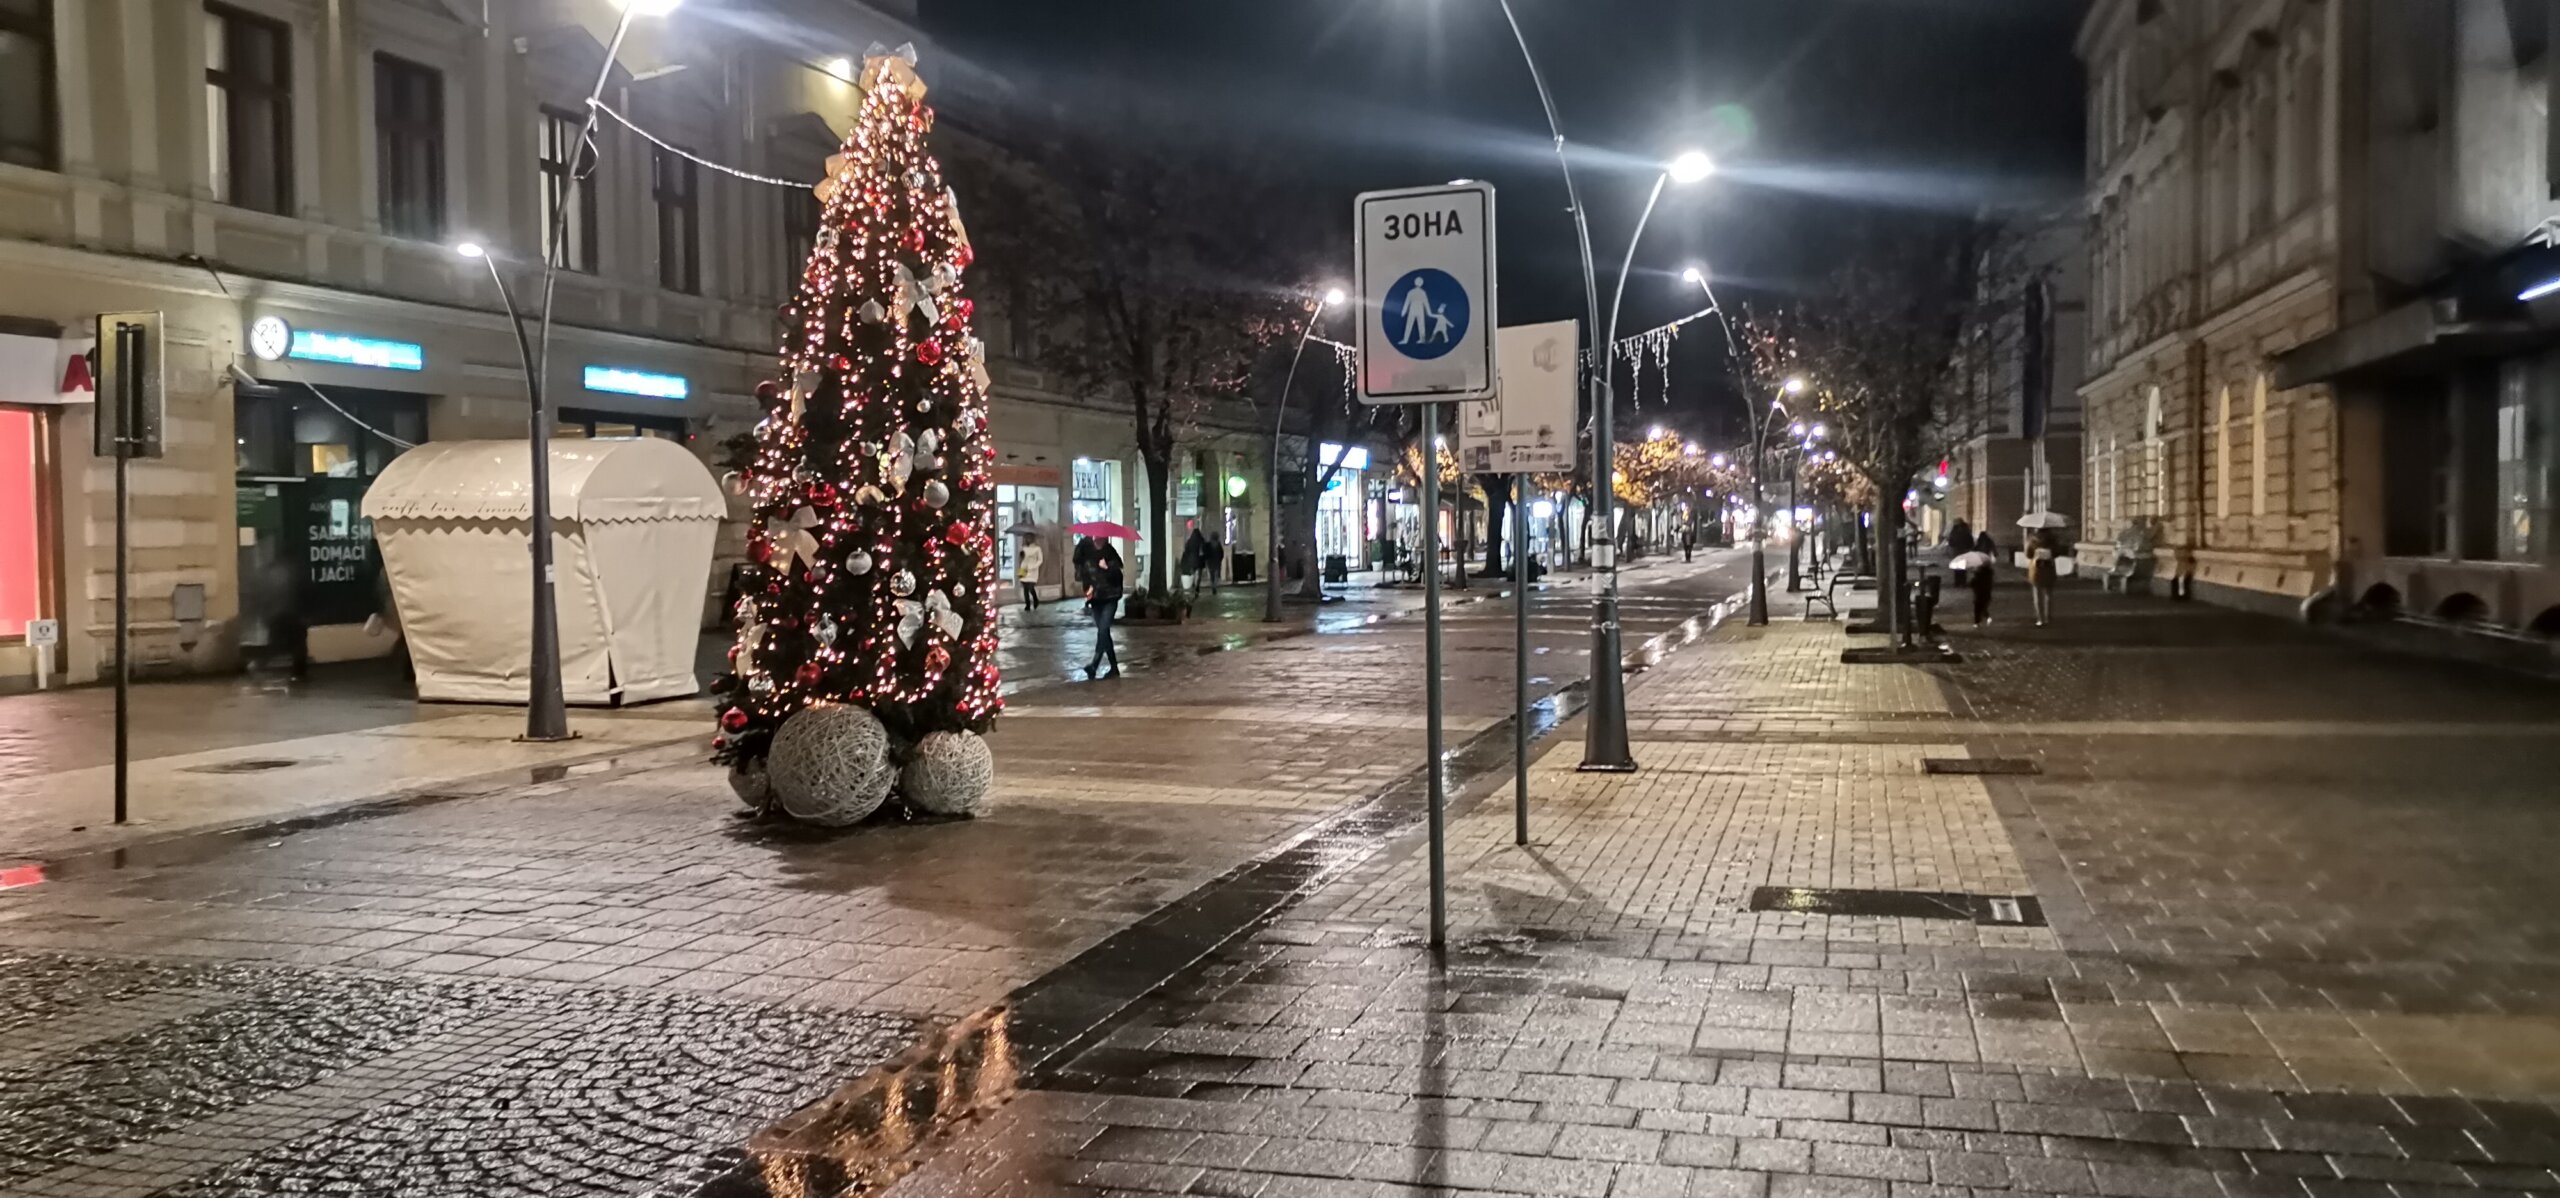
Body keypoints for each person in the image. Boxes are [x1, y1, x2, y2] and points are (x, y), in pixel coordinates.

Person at [1083, 541, 1125, 680]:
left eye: (1099, 540)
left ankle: (1094, 664)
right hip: (1096, 601)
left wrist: (1106, 568)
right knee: (1104, 633)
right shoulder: (1089, 560)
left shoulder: (1112, 559)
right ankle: (1114, 668)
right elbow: (1086, 579)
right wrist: (1087, 590)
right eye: (1095, 540)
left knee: (1103, 630)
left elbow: (1117, 579)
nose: (1096, 541)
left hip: (1110, 599)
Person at [2028, 529, 2058, 626]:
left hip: (2036, 569)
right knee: (2048, 594)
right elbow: (2057, 553)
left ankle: (2040, 618)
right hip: (2049, 568)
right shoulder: (2052, 539)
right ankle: (2048, 617)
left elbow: (2028, 554)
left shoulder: (2032, 539)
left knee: (2037, 594)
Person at [1968, 530, 1998, 627]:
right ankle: (1985, 614)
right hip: (1986, 570)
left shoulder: (1978, 544)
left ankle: (1977, 621)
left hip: (1979, 569)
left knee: (1977, 602)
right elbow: (1995, 552)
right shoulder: (1989, 542)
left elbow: (1973, 551)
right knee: (1984, 600)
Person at [1016, 537, 1045, 609]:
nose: (1027, 539)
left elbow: (1040, 560)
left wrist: (1034, 566)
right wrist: (1021, 553)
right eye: (1026, 538)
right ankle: (1027, 604)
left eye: (1029, 538)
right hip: (1023, 568)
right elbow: (1021, 558)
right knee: (1025, 587)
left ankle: (1035, 599)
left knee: (1030, 587)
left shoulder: (1037, 548)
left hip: (1033, 570)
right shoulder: (1023, 547)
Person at [1181, 526, 1209, 596]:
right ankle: (1197, 586)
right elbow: (1205, 550)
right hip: (1200, 560)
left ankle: (1193, 584)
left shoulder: (1190, 542)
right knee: (1199, 574)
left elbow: (1186, 551)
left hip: (1192, 560)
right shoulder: (1202, 541)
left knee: (1193, 573)